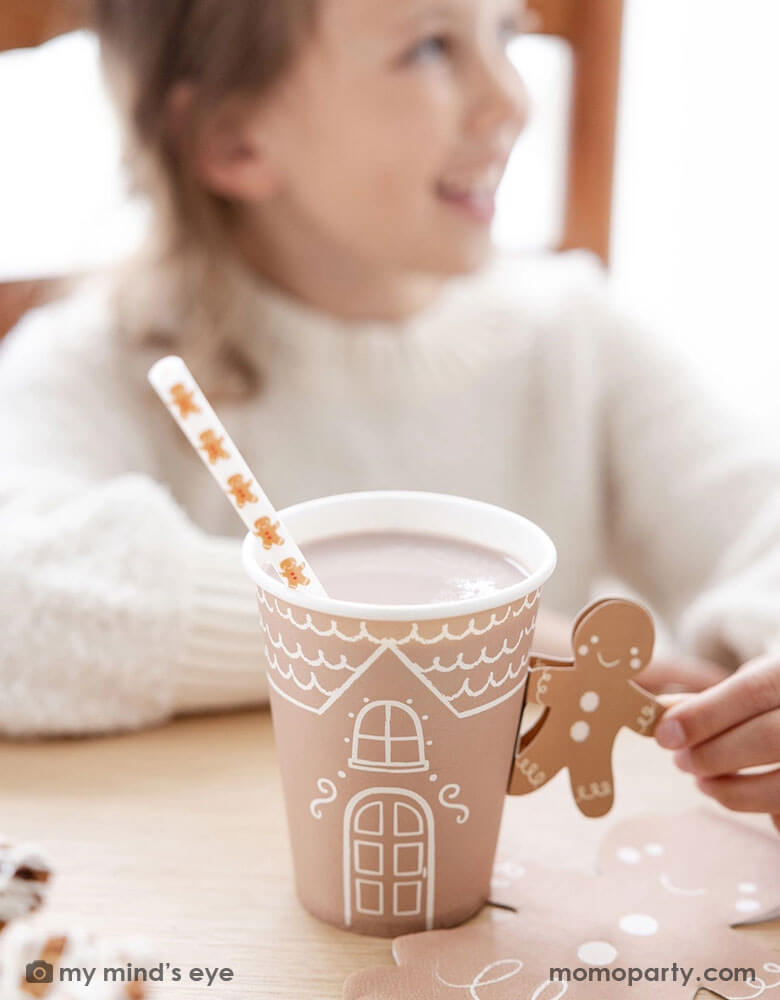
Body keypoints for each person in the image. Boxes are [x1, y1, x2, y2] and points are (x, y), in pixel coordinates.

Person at [0, 0, 778, 833]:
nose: (512, 99)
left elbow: (760, 522)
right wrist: (482, 637)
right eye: (431, 47)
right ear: (234, 141)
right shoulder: (97, 365)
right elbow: (20, 605)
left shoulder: (575, 334)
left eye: (505, 33)